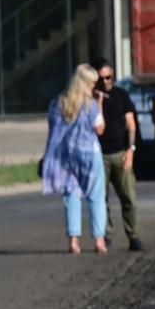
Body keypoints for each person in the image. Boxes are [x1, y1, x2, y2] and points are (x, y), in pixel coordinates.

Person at [42, 64, 108, 254]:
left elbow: (53, 130)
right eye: (93, 83)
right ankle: (99, 239)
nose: (95, 86)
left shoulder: (58, 103)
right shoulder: (90, 105)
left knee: (71, 194)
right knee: (96, 195)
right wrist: (100, 105)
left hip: (66, 154)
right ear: (85, 83)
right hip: (89, 153)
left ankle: (74, 240)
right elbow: (100, 129)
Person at [92, 57, 144, 251]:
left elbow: (131, 124)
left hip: (121, 152)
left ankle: (134, 235)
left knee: (129, 197)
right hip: (98, 156)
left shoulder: (121, 95)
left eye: (109, 77)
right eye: (101, 78)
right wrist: (97, 101)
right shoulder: (90, 99)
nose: (106, 82)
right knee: (100, 199)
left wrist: (131, 150)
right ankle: (106, 235)